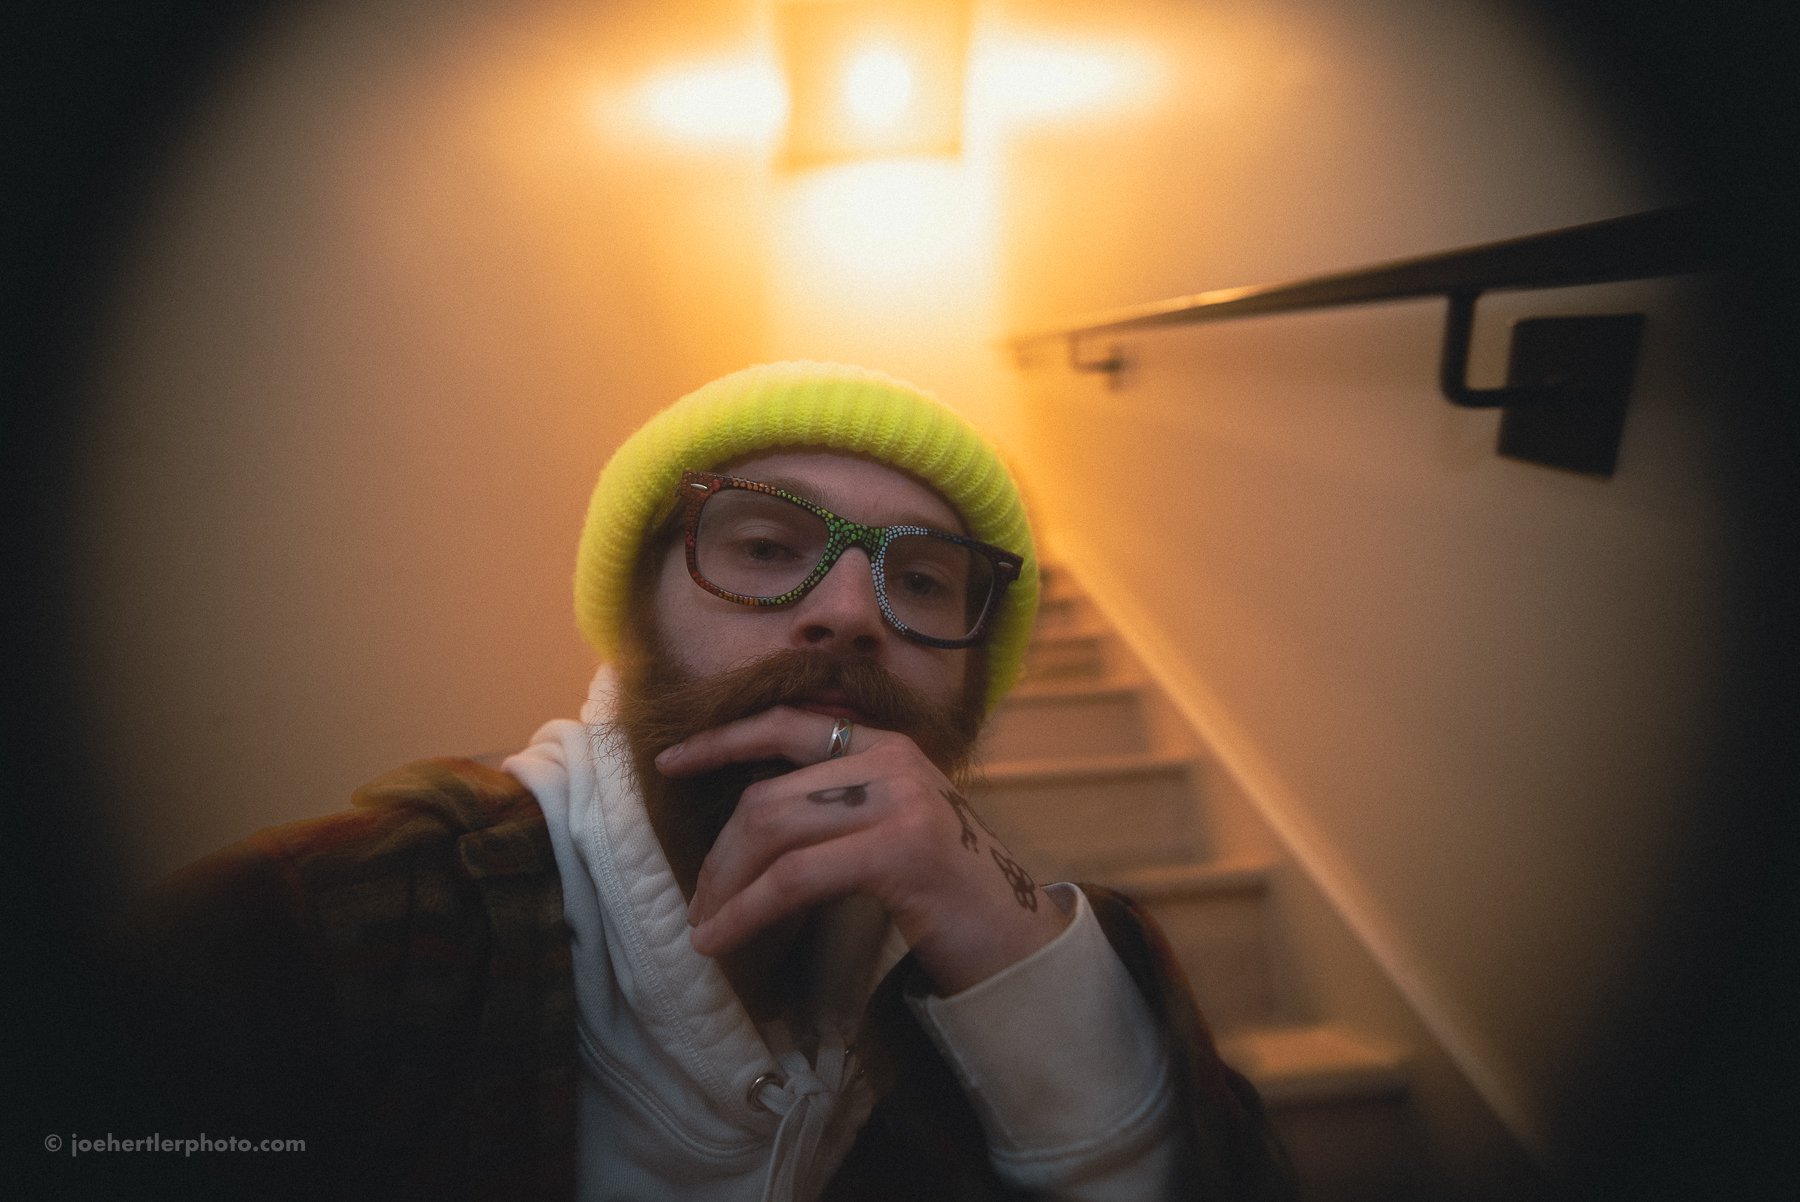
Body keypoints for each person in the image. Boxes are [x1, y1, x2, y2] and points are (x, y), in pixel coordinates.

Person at [126, 362, 1291, 1200]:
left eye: (923, 582)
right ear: (637, 619)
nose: (844, 610)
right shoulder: (322, 927)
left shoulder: (1041, 955)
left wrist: (1038, 993)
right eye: (769, 549)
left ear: (974, 685)